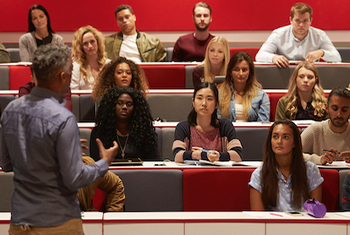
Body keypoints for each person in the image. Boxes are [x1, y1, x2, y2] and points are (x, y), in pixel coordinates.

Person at [0, 43, 118, 233]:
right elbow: (75, 178)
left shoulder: (10, 111)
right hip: (58, 224)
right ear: (63, 76)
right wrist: (104, 162)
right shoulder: (62, 118)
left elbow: (6, 164)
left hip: (20, 223)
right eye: (71, 71)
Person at [249, 120, 323, 211]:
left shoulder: (311, 170)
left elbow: (315, 212)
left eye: (285, 137)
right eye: (275, 137)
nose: (279, 141)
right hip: (273, 224)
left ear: (294, 143)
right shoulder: (259, 174)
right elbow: (258, 217)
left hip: (304, 223)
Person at [173, 82, 243, 163]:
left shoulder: (225, 125)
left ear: (216, 104)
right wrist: (204, 155)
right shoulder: (183, 127)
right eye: (199, 98)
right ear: (193, 102)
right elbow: (177, 156)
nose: (204, 103)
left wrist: (217, 157)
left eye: (209, 99)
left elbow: (238, 155)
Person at [255, 3, 341, 68]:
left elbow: (337, 58)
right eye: (297, 20)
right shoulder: (278, 34)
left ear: (311, 21)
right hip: (284, 73)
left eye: (305, 21)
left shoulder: (320, 35)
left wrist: (322, 53)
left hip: (310, 76)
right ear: (291, 20)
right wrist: (273, 58)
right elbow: (259, 56)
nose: (301, 25)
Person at [90, 86, 157, 161]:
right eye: (120, 103)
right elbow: (94, 162)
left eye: (129, 104)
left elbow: (151, 161)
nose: (124, 107)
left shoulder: (145, 132)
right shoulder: (99, 132)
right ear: (111, 106)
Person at [301, 87, 350, 165]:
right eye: (335, 109)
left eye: (344, 110)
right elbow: (292, 153)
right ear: (327, 108)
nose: (339, 114)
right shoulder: (315, 130)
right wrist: (319, 159)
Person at [218, 52, 270, 122]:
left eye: (244, 70)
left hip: (253, 133)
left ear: (250, 72)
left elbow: (262, 125)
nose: (241, 73)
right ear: (230, 72)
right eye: (236, 69)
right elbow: (218, 122)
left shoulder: (262, 96)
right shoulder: (219, 94)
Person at [71, 25, 110, 90]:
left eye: (92, 41)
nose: (90, 46)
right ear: (81, 47)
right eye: (85, 43)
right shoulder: (76, 67)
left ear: (98, 42)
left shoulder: (108, 64)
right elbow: (74, 93)